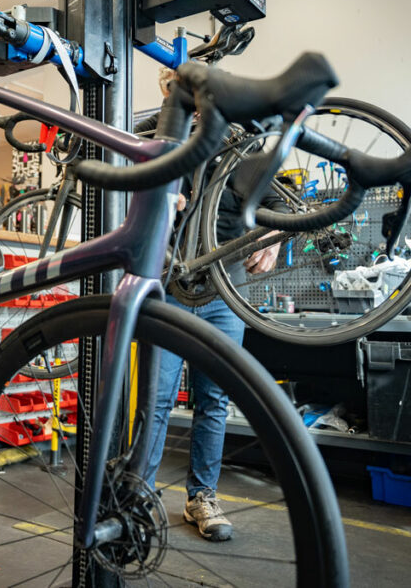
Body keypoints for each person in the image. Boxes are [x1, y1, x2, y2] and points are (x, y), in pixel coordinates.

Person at [138, 66, 280, 542]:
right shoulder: (160, 137)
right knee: (154, 401)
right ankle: (137, 495)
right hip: (171, 288)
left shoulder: (245, 145)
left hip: (225, 291)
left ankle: (202, 498)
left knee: (214, 400)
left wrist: (276, 238)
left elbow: (279, 206)